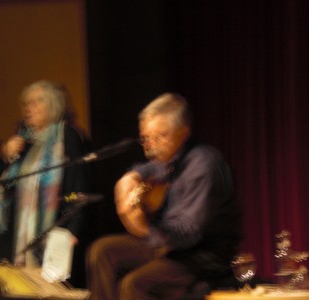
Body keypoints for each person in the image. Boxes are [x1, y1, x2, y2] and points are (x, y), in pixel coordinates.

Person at [87, 92, 242, 299]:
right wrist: (131, 176)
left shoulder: (204, 164)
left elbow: (188, 234)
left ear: (183, 132)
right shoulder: (168, 159)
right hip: (168, 245)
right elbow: (151, 167)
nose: (151, 146)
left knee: (135, 285)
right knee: (102, 251)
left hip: (201, 255)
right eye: (146, 138)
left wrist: (144, 228)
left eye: (160, 136)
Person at [0, 80, 93, 287]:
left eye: (36, 102)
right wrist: (6, 155)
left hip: (56, 233)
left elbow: (79, 188)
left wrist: (74, 230)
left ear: (53, 105)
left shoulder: (67, 137)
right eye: (26, 103)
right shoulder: (23, 142)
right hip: (18, 239)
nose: (28, 108)